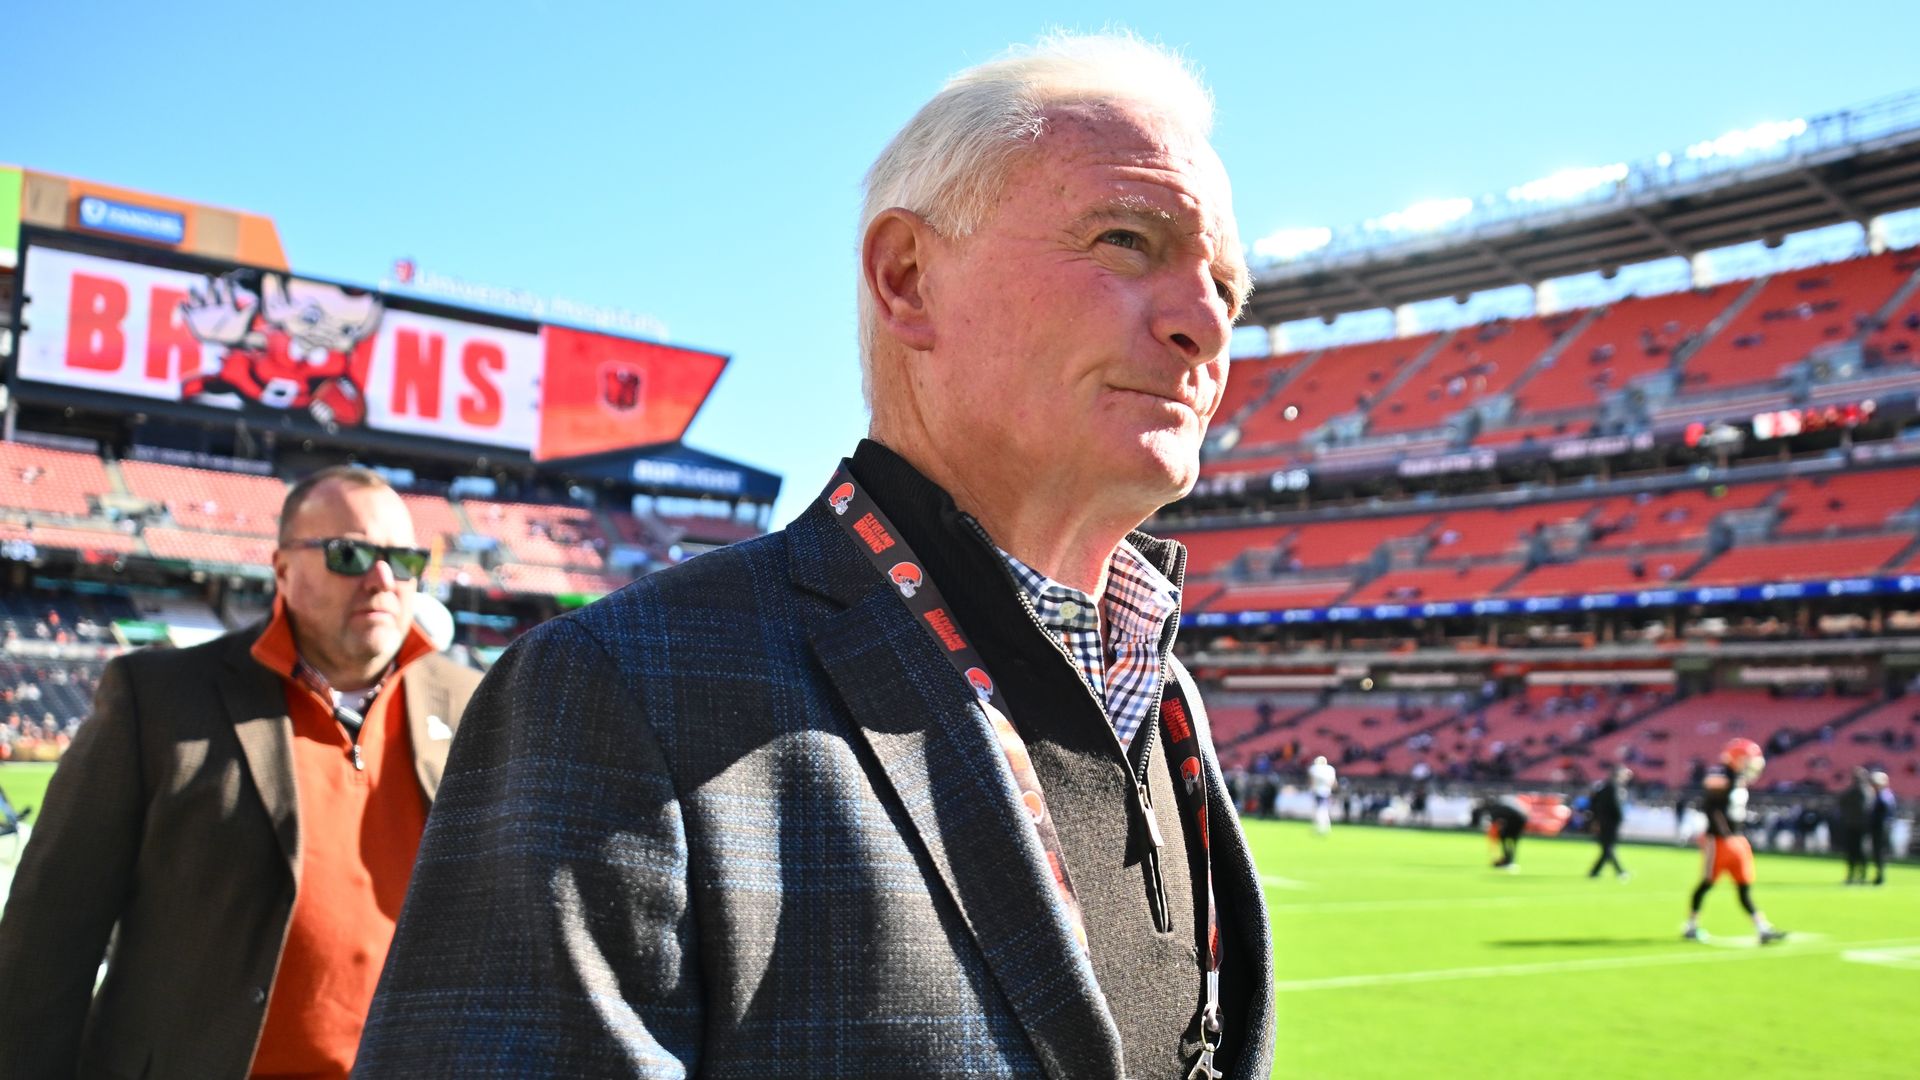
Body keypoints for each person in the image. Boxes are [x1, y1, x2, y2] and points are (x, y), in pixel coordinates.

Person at [356, 33, 1274, 1080]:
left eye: (1226, 287)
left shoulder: (1163, 700)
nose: (1207, 325)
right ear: (907, 279)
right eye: (1127, 240)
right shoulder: (625, 689)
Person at [0, 466, 481, 1079]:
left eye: (404, 560)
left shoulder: (478, 704)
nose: (383, 579)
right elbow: (51, 932)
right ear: (282, 569)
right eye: (350, 554)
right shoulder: (158, 698)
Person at [1683, 738, 1787, 944]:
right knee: (1707, 883)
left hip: (1738, 840)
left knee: (1744, 886)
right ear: (1737, 759)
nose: (1751, 765)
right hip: (1719, 841)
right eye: (1747, 760)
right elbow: (1711, 808)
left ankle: (1763, 928)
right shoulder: (1720, 775)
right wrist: (1725, 834)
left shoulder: (1738, 777)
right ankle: (1691, 925)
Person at [1587, 765, 1631, 880]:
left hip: (1604, 821)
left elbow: (1593, 803)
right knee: (1608, 847)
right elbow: (1615, 806)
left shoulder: (1605, 786)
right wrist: (1620, 818)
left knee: (1607, 848)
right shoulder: (1613, 788)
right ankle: (1619, 871)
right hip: (1610, 822)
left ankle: (1596, 872)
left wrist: (1595, 818)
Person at [1836, 766, 1873, 884]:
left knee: (1859, 851)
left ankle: (1859, 875)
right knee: (1855, 851)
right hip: (1855, 825)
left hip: (1858, 825)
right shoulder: (1865, 791)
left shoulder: (1863, 791)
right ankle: (1856, 875)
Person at [1477, 795, 1529, 869]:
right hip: (1522, 818)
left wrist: (1493, 847)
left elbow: (1494, 828)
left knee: (1503, 837)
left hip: (1517, 820)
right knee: (1513, 840)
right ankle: (1510, 860)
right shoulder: (1503, 802)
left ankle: (1508, 860)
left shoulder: (1494, 810)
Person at [1868, 770, 1895, 886]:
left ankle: (1880, 876)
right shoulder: (1884, 795)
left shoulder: (1883, 796)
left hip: (1881, 827)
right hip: (1881, 827)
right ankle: (1879, 875)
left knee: (1879, 852)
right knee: (1878, 852)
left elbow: (1881, 813)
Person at [1308, 754, 1337, 835]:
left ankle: (1321, 828)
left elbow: (1312, 780)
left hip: (1318, 791)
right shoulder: (1330, 769)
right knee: (1323, 810)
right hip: (1326, 791)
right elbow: (1333, 782)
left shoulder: (1315, 769)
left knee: (1320, 810)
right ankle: (1324, 827)